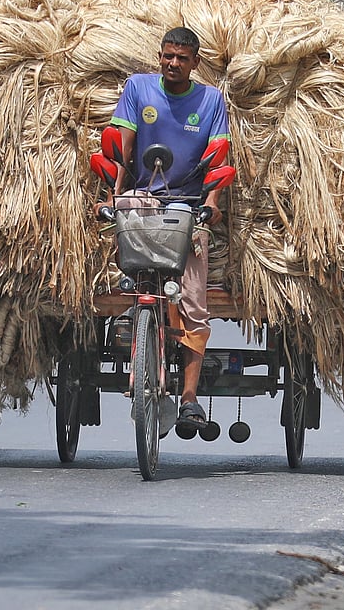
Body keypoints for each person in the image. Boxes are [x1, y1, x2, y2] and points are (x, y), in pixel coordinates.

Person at [100, 27, 231, 433]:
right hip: (145, 193)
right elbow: (122, 148)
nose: (173, 63)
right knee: (128, 215)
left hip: (187, 203)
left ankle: (189, 398)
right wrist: (112, 194)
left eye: (181, 58)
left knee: (193, 298)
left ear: (195, 62)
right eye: (167, 56)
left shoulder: (210, 101)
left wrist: (210, 205)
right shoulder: (139, 89)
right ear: (160, 57)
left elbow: (216, 159)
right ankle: (135, 319)